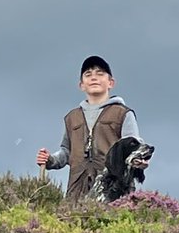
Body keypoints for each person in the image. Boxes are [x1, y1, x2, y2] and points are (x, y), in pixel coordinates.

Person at [36, 54, 143, 202]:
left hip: (114, 191)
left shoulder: (123, 114)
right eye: (88, 74)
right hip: (76, 191)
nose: (94, 78)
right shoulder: (71, 118)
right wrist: (50, 160)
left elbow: (135, 149)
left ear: (111, 83)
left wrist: (141, 160)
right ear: (81, 85)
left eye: (100, 74)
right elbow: (67, 152)